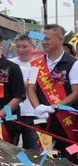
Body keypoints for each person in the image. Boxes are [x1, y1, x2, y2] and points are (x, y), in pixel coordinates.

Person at [30, 23, 78, 154]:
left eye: (48, 39)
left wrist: (54, 107)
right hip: (42, 118)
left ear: (61, 39)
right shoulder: (36, 64)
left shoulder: (73, 64)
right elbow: (30, 87)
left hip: (66, 120)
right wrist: (37, 107)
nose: (44, 42)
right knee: (44, 157)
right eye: (42, 39)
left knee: (70, 156)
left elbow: (76, 93)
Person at [8, 34, 40, 150]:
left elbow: (30, 87)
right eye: (18, 47)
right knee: (8, 148)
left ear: (33, 47)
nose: (21, 50)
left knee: (33, 150)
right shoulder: (8, 64)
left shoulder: (38, 65)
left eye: (25, 47)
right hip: (11, 112)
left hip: (32, 114)